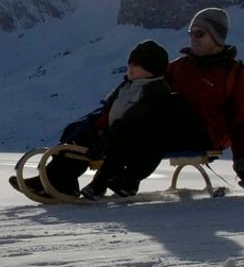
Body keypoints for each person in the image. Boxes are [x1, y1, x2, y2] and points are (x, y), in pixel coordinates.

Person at [10, 40, 174, 199]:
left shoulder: (155, 91)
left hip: (124, 138)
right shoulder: (128, 85)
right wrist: (96, 125)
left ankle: (61, 182)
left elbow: (136, 119)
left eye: (136, 65)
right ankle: (53, 180)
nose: (130, 68)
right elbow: (109, 109)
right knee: (72, 139)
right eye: (130, 63)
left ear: (151, 69)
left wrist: (106, 136)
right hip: (108, 131)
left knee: (84, 147)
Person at [164, 7, 244, 189]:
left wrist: (243, 159)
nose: (193, 38)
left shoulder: (235, 74)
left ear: (216, 37)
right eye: (190, 33)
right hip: (171, 132)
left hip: (207, 136)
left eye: (199, 34)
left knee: (174, 103)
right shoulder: (179, 67)